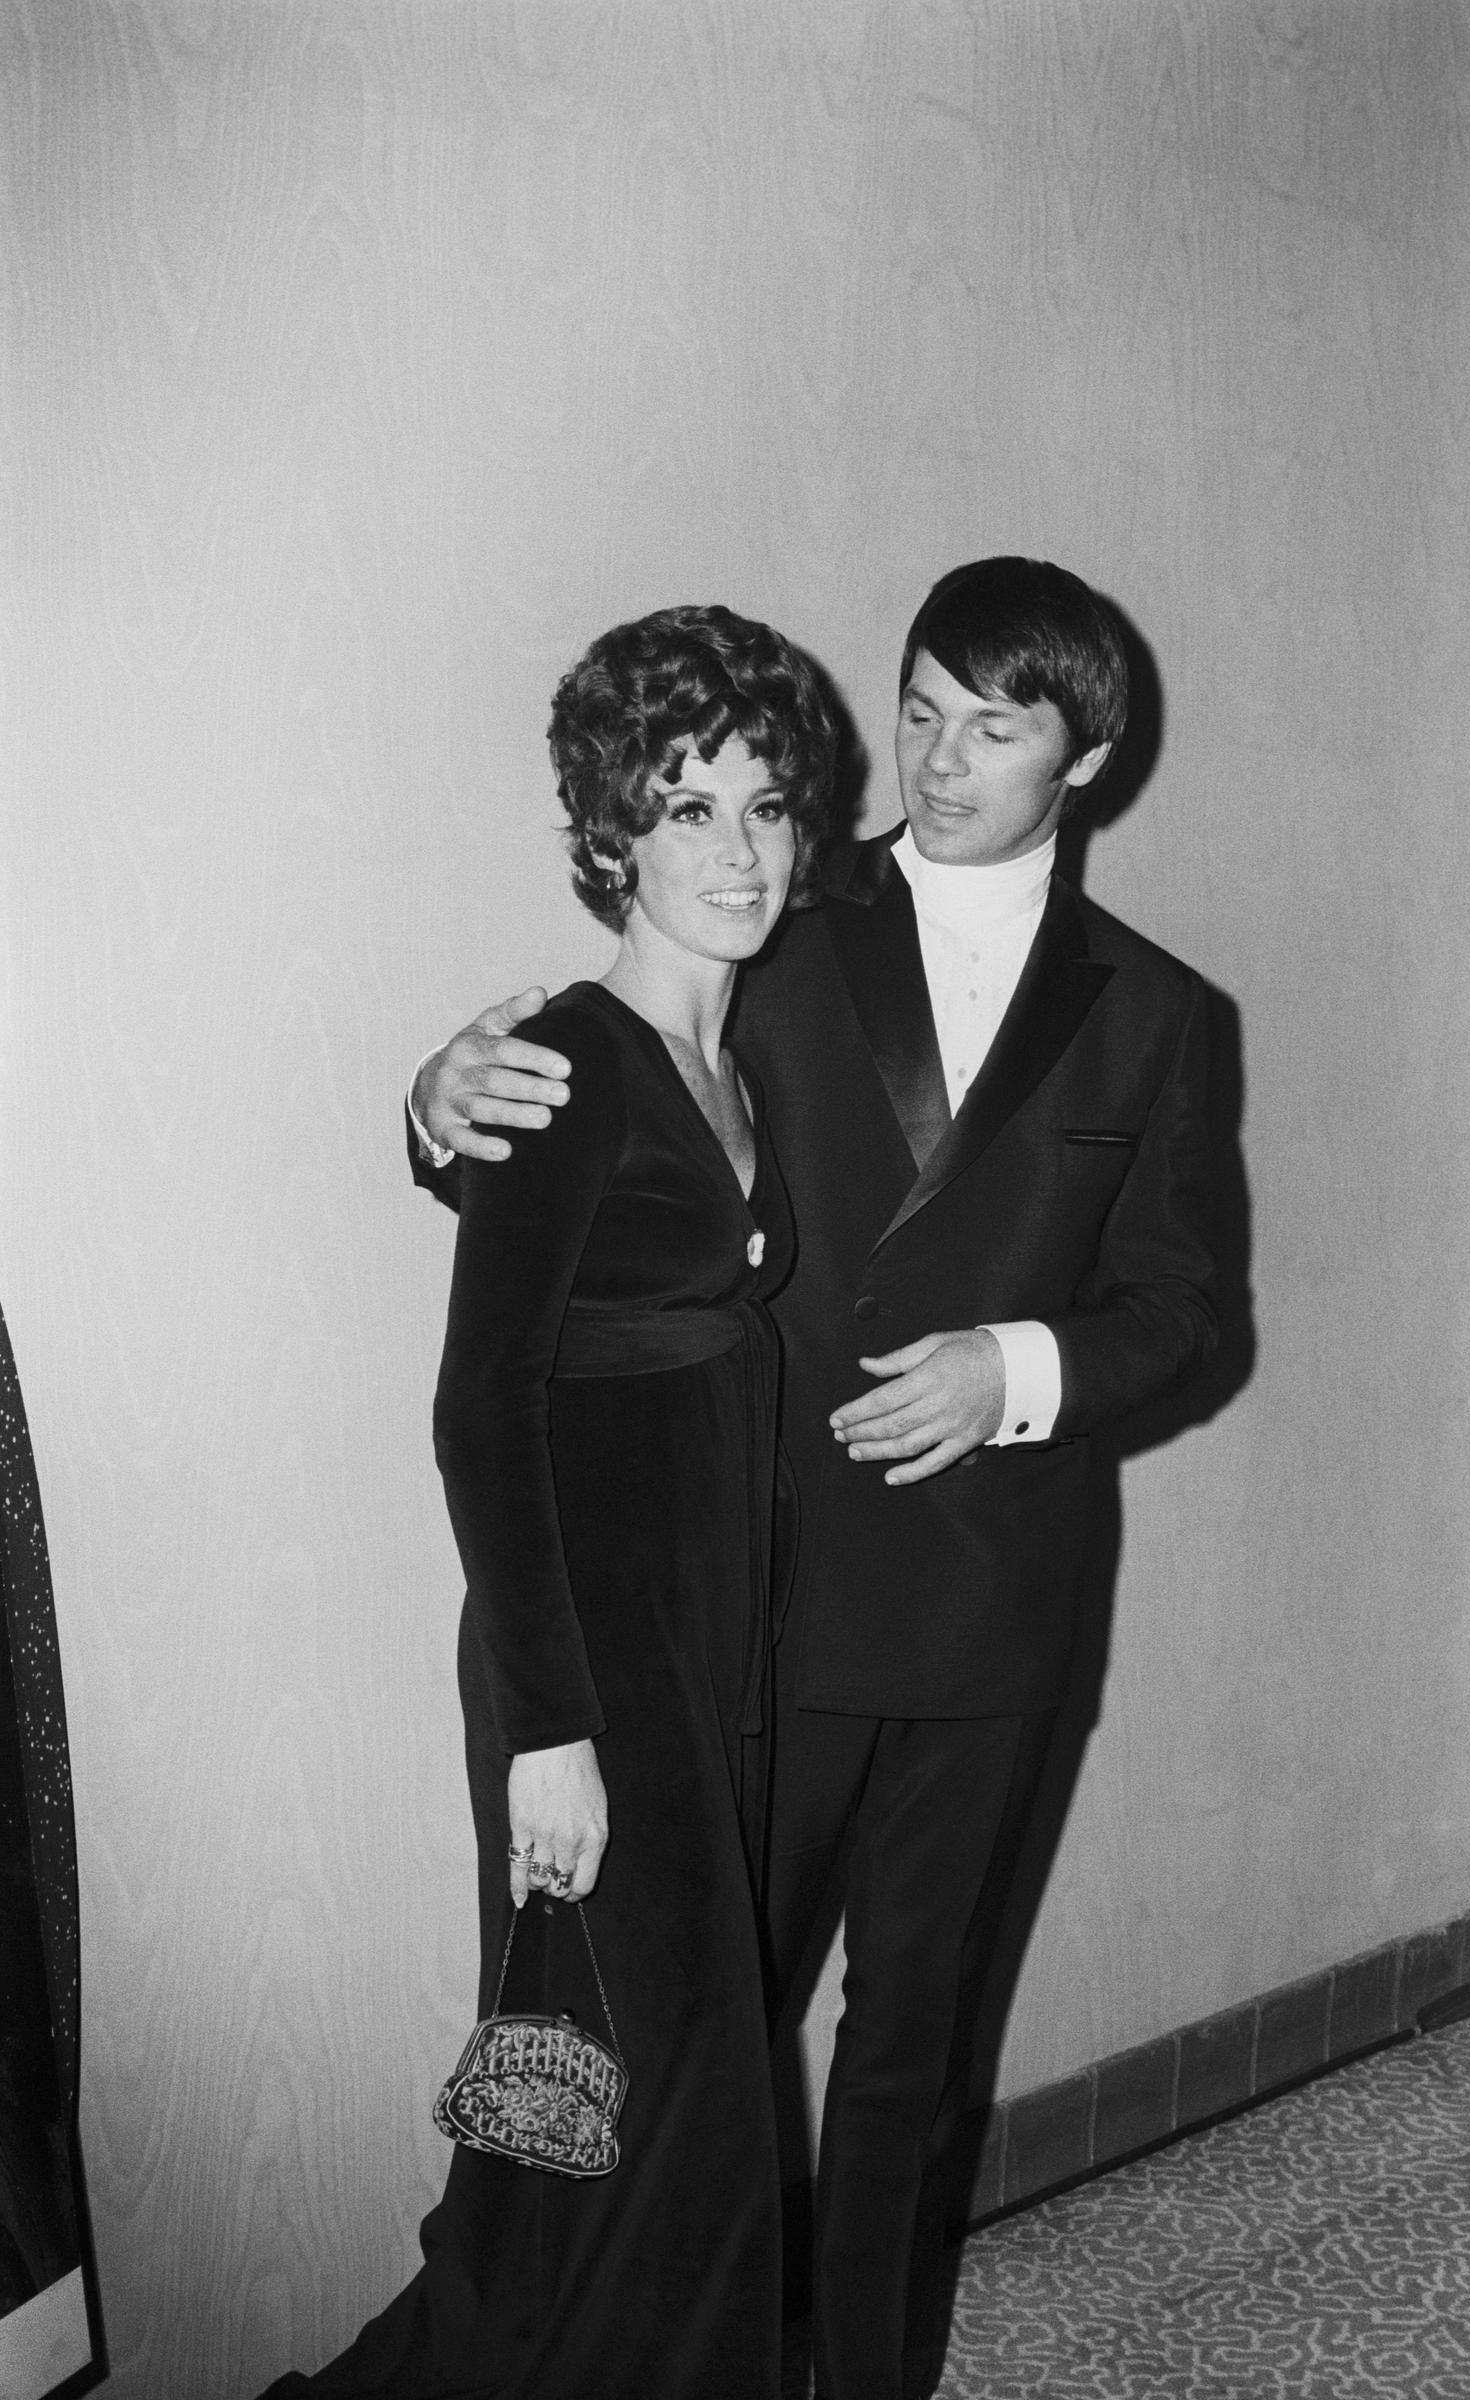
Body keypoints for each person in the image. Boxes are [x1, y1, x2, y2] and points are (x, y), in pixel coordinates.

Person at [412, 557, 1220, 2400]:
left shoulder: (1157, 1014)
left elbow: (1186, 1316)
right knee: (674, 2059)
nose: (935, 762)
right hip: (747, 1603)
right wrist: (436, 1097)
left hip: (988, 1610)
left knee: (909, 2055)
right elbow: (592, 1149)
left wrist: (1015, 1368)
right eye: (918, 709)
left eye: (990, 726)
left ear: (1079, 757)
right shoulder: (770, 903)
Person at [263, 603, 837, 2400]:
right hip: (588, 1676)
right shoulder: (568, 1060)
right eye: (687, 811)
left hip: (702, 1646)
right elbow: (478, 1406)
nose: (735, 851)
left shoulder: (731, 1063)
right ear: (611, 836)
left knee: (585, 2130)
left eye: (763, 806)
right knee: (674, 2128)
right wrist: (548, 1736)